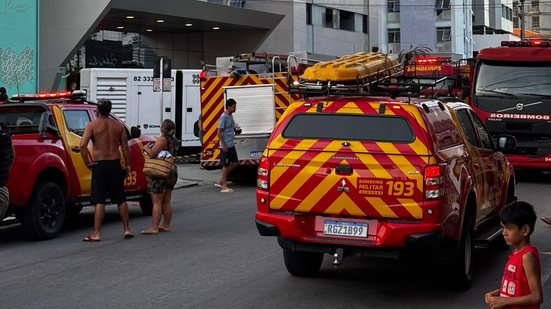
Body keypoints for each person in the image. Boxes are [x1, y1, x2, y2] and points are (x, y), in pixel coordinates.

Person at [80, 98, 134, 241]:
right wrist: (127, 165)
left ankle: (96, 233)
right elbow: (125, 147)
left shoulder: (92, 126)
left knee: (100, 200)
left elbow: (82, 145)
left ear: (97, 110)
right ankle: (127, 229)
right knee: (121, 199)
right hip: (115, 163)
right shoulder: (118, 126)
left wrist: (87, 162)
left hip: (100, 164)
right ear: (110, 111)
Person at [485, 201, 543, 309]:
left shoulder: (527, 256)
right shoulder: (516, 253)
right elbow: (519, 287)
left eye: (509, 228)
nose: (504, 233)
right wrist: (499, 294)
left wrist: (505, 301)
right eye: (503, 228)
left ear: (525, 230)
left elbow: (537, 296)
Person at [141, 119, 178, 234]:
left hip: (159, 172)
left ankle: (154, 227)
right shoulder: (174, 140)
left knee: (157, 201)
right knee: (166, 200)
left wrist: (146, 147)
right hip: (171, 171)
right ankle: (166, 225)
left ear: (163, 128)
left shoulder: (162, 139)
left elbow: (152, 153)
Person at [215, 98, 240, 193]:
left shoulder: (230, 116)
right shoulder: (223, 117)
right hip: (226, 146)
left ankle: (221, 180)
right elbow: (219, 132)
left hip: (231, 144)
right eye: (233, 107)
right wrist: (224, 145)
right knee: (225, 165)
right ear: (228, 107)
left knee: (236, 163)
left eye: (235, 106)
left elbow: (231, 127)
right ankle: (224, 186)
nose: (235, 108)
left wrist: (236, 130)